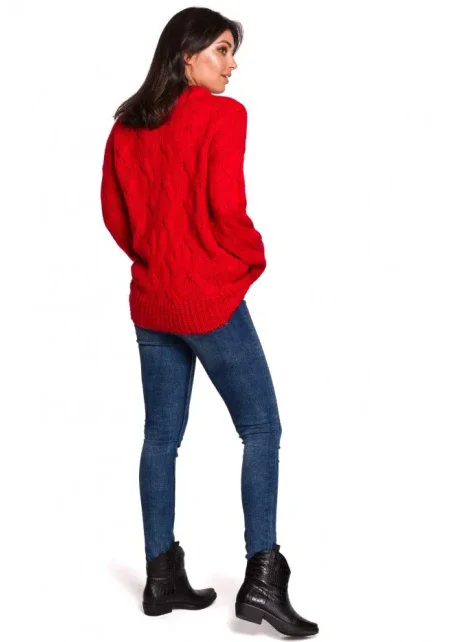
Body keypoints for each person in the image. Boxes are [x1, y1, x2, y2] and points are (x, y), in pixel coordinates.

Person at [100, 7, 318, 637]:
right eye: (222, 49)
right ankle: (263, 580)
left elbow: (115, 215)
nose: (232, 64)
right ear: (186, 54)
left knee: (160, 437)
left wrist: (155, 260)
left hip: (153, 299)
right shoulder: (224, 115)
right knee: (261, 427)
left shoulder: (127, 125)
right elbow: (227, 208)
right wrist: (251, 257)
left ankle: (161, 576)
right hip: (206, 300)